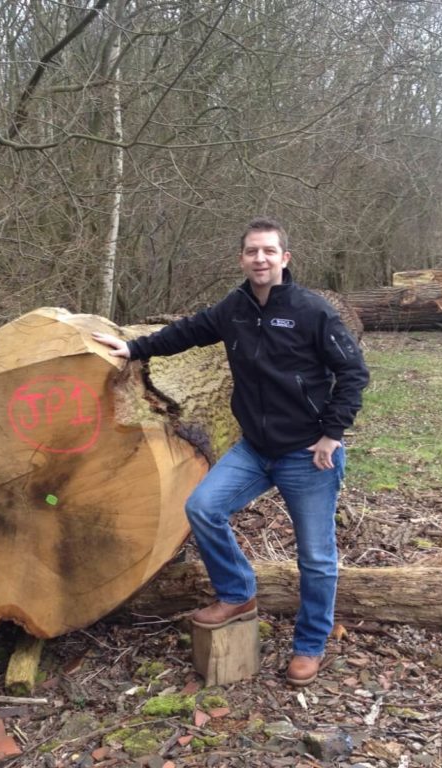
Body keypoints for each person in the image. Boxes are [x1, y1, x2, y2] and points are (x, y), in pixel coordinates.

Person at [92, 216, 369, 686]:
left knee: (316, 558)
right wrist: (132, 346)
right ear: (242, 258)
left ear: (285, 258)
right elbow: (187, 332)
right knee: (202, 507)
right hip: (255, 448)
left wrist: (331, 433)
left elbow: (354, 373)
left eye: (268, 251)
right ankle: (237, 592)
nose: (259, 259)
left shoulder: (312, 310)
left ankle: (310, 646)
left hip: (307, 454)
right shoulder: (234, 308)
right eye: (251, 251)